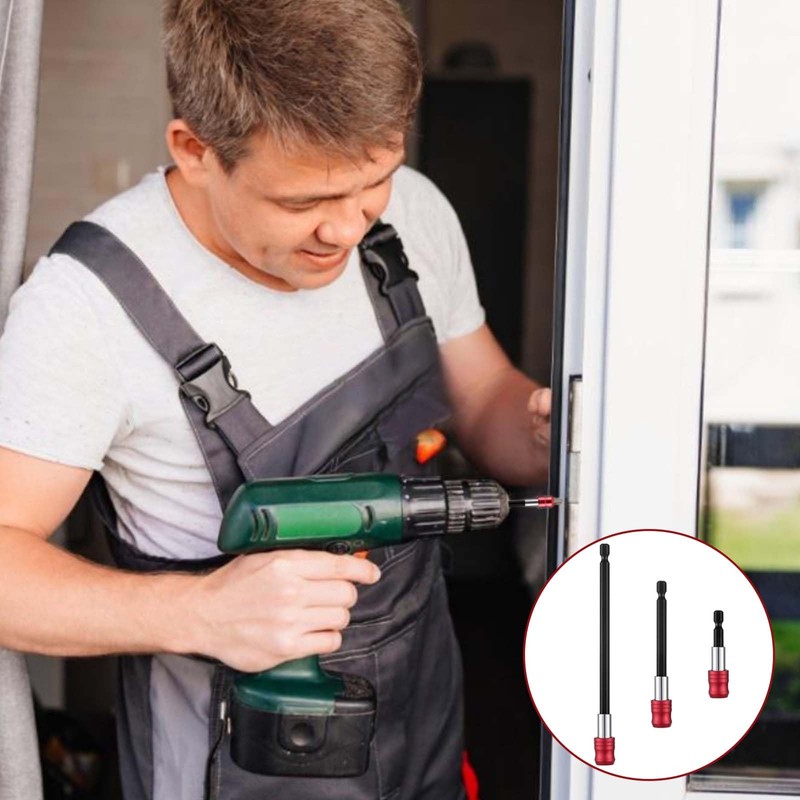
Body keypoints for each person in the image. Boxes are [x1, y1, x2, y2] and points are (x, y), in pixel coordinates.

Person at [0, 1, 551, 798]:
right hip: (232, 767)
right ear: (194, 150)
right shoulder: (85, 305)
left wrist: (547, 429)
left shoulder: (414, 212)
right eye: (302, 203)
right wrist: (198, 612)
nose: (347, 228)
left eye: (374, 179)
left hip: (422, 734)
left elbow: (487, 399)